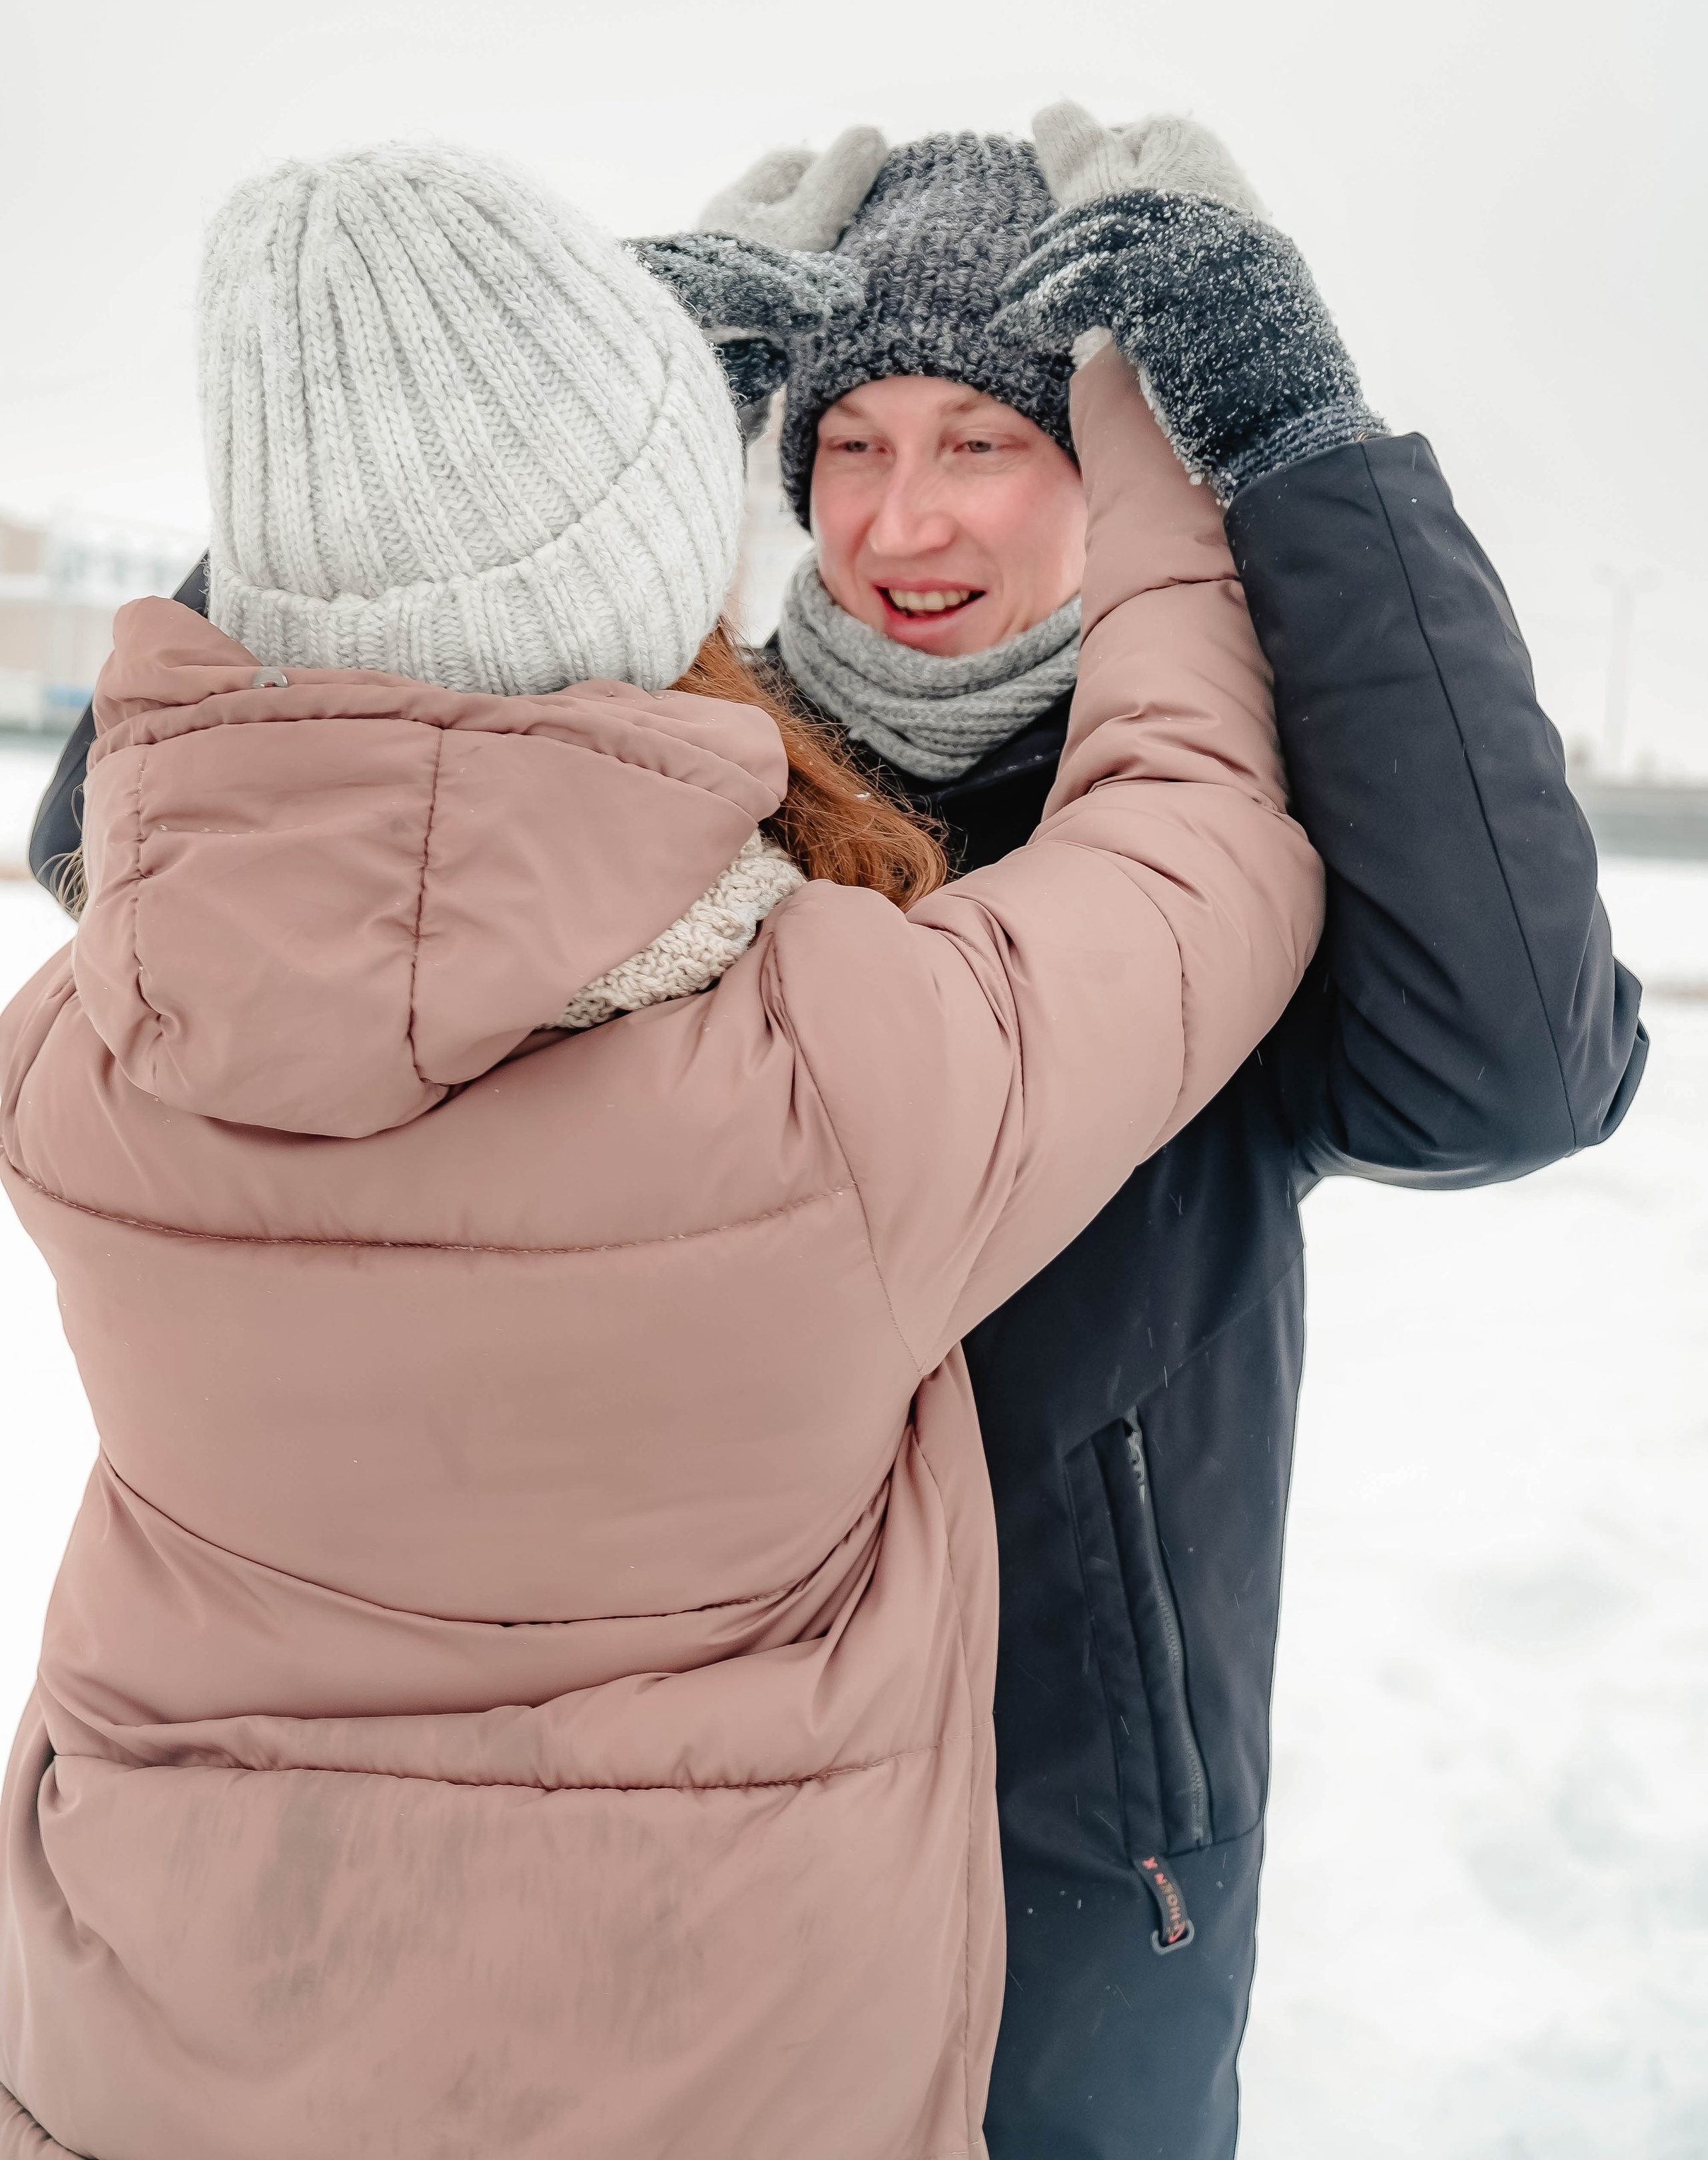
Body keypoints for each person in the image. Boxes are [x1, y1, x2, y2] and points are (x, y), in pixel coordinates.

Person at [0, 142, 1322, 2157]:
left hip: (151, 2072)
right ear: (666, 570)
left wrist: (494, 424)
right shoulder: (837, 1079)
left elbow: (152, 823)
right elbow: (1195, 831)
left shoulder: (81, 1078)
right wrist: (1158, 424)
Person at [669, 105, 1643, 2159]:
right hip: (679, 1857)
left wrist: (1294, 436)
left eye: (982, 442)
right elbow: (140, 851)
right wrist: (620, 385)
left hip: (1090, 1902)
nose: (898, 521)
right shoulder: (673, 785)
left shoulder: (1214, 850)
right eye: (850, 442)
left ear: (1108, 472)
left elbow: (1524, 1070)